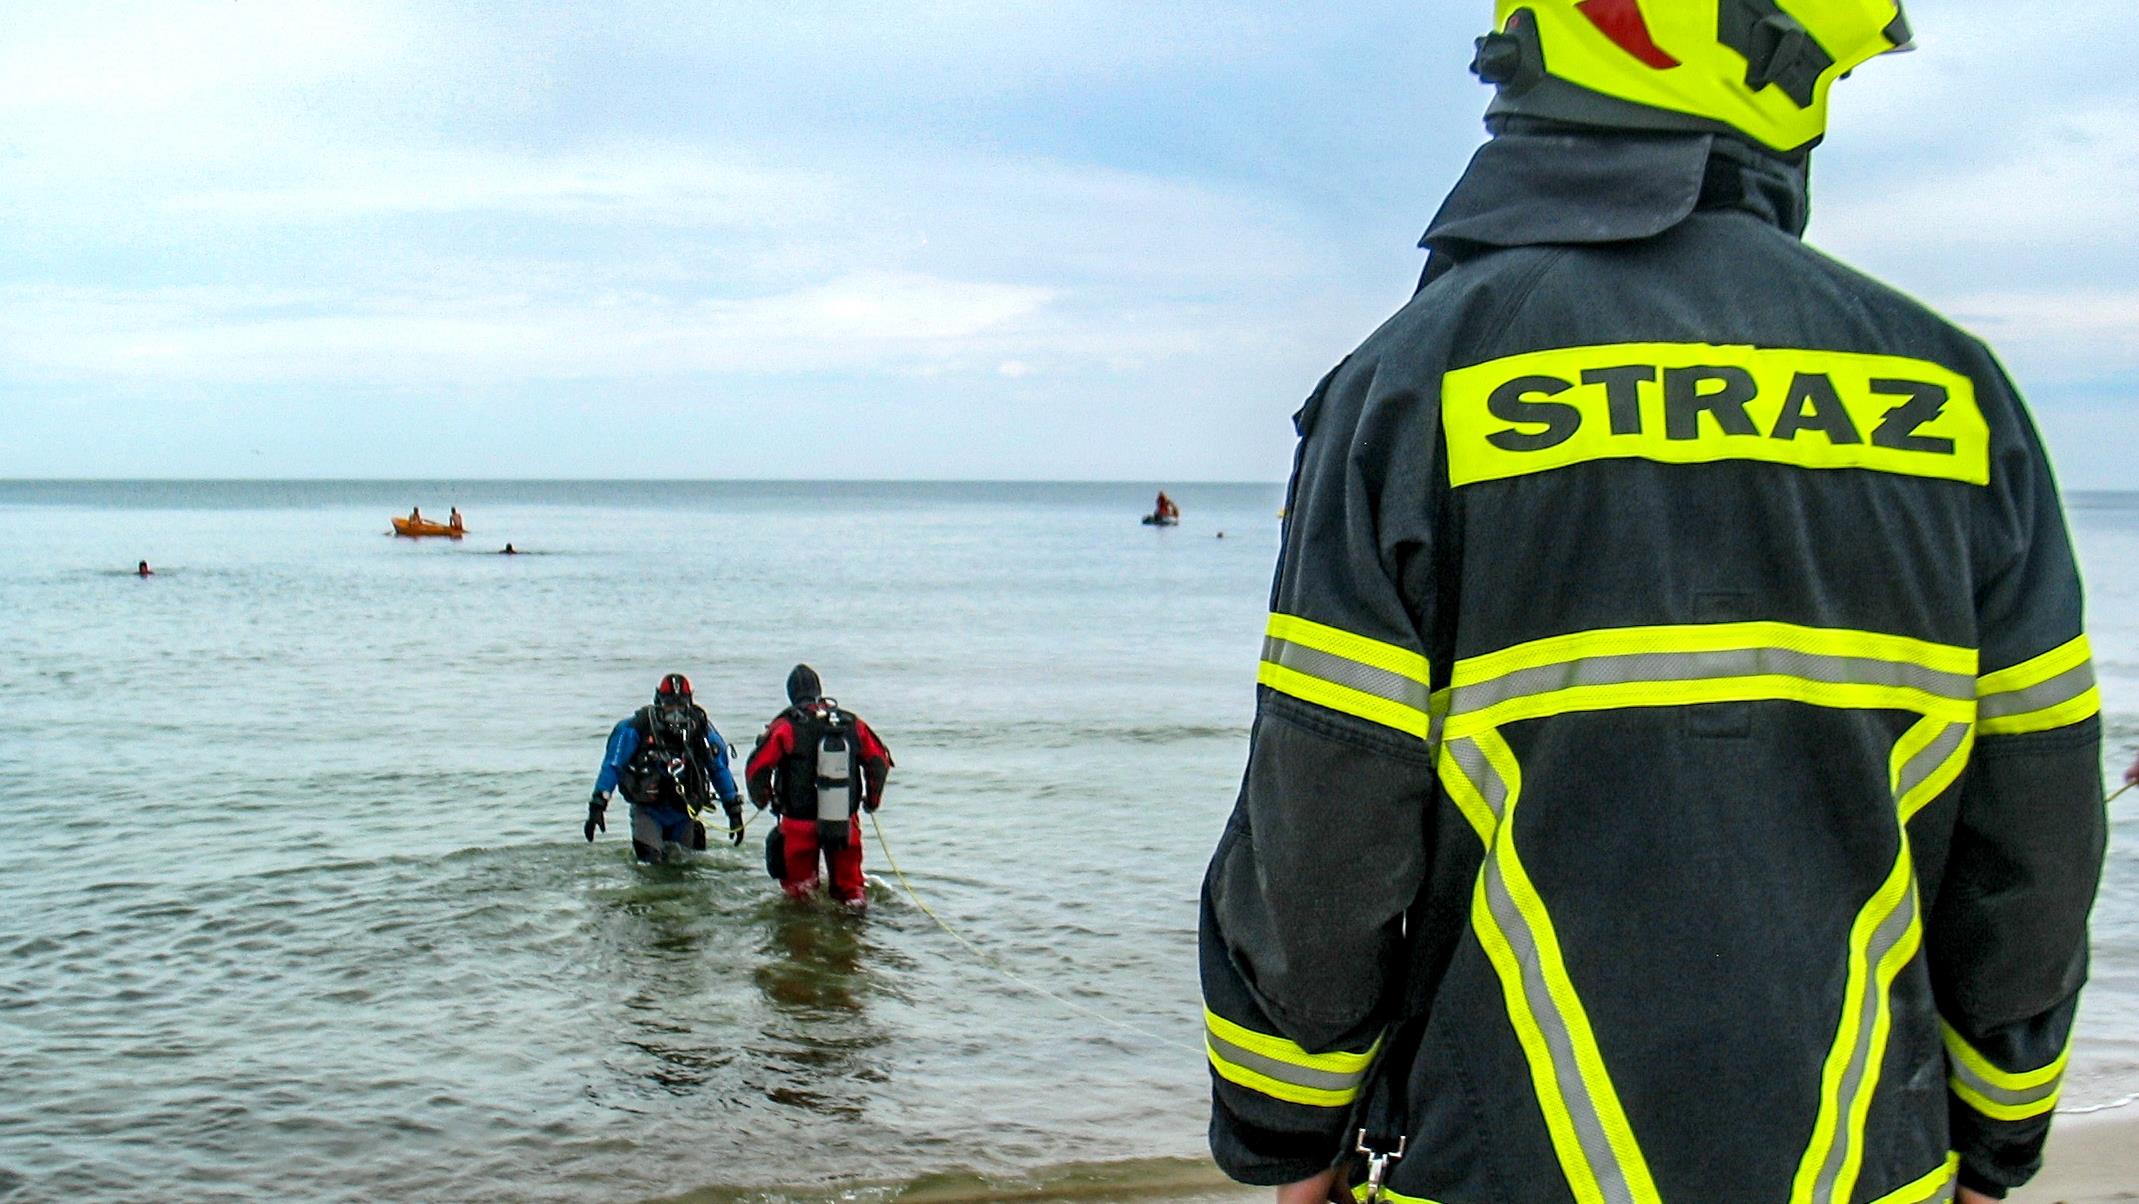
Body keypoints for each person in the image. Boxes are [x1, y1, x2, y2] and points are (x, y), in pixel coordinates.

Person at [1199, 8, 2106, 1204]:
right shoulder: (1952, 395)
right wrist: (1993, 1151)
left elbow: (1324, 835)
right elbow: (2034, 832)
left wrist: (1290, 1143)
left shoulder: (1411, 383)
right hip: (1864, 1172)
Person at [745, 665, 893, 906]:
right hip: (843, 820)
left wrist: (765, 799)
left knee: (799, 893)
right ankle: (855, 937)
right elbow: (879, 761)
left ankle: (803, 937)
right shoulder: (850, 723)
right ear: (819, 690)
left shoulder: (785, 726)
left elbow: (757, 769)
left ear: (791, 694)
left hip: (797, 823)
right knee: (852, 891)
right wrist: (872, 800)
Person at [586, 672, 744, 862]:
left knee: (688, 867)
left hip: (684, 814)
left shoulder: (701, 731)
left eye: (681, 705)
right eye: (670, 705)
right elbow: (613, 766)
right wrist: (598, 805)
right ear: (659, 701)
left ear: (689, 703)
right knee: (651, 865)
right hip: (649, 813)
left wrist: (733, 810)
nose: (675, 712)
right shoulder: (636, 728)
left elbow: (719, 770)